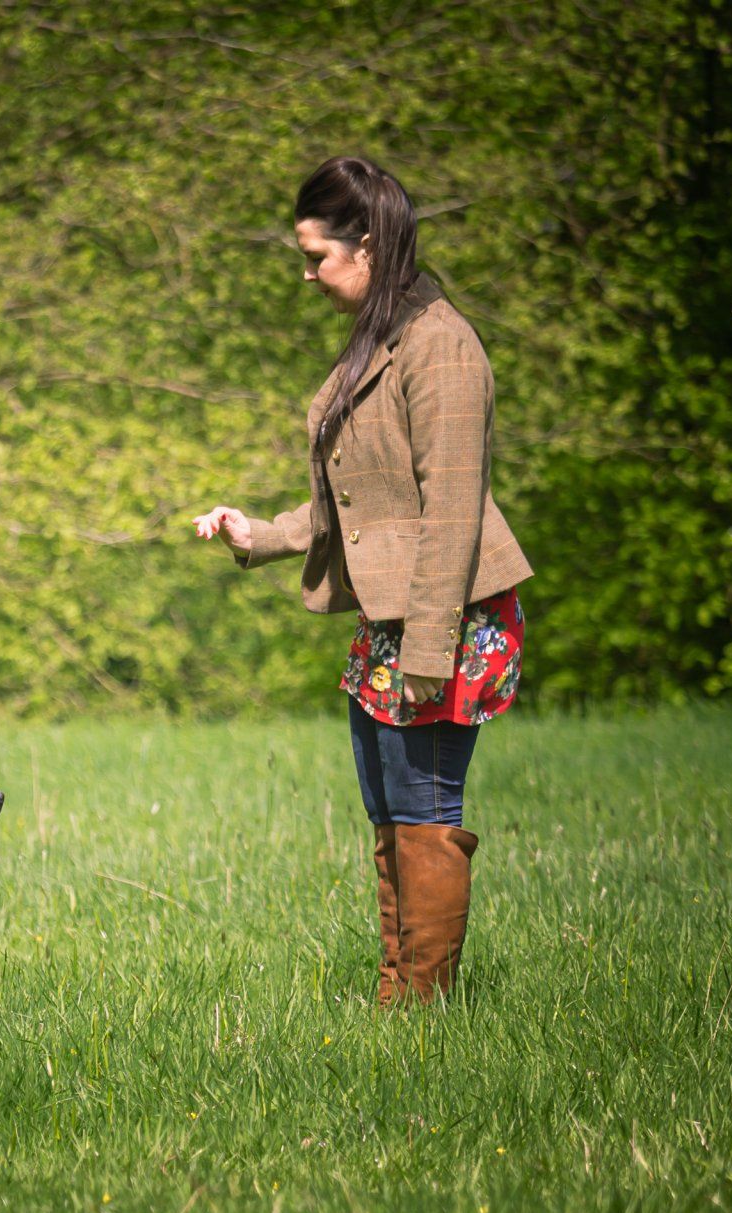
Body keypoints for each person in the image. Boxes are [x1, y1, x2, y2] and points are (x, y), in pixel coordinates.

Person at [194, 156, 533, 1006]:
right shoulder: (384, 334)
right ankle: (400, 987)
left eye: (316, 257)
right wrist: (258, 534)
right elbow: (365, 500)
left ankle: (422, 1006)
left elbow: (451, 512)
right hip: (394, 614)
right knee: (391, 808)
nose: (306, 275)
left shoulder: (442, 347)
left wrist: (429, 646)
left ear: (369, 244)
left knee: (423, 809)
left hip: (440, 615)